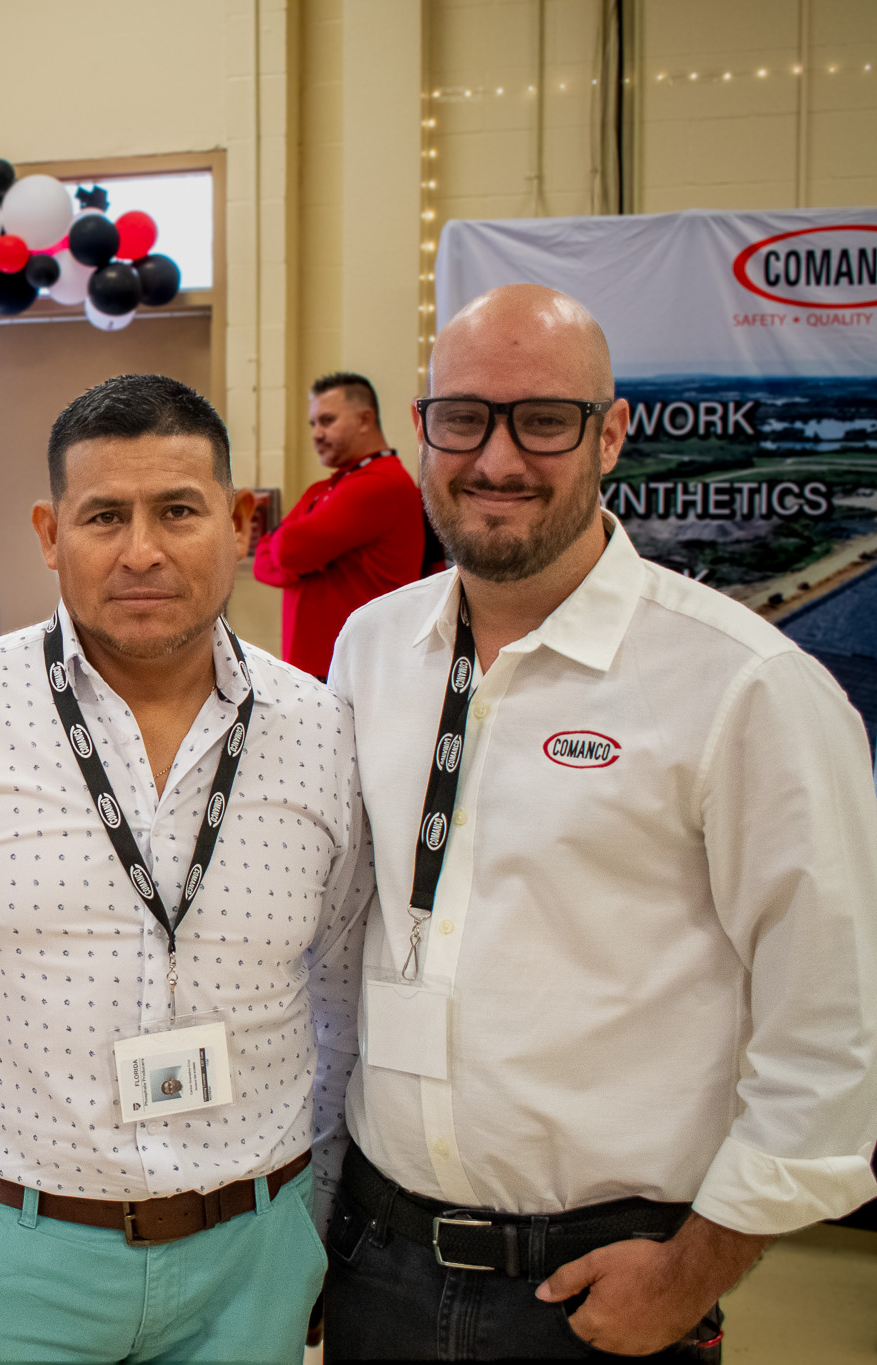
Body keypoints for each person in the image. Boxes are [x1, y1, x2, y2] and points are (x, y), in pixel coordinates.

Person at [322, 286, 877, 1361]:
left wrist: (691, 1273)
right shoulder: (372, 649)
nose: (495, 459)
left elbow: (829, 1030)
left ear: (610, 434)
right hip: (374, 1257)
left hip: (599, 1287)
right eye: (462, 418)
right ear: (423, 425)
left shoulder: (745, 686)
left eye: (542, 420)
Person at [0, 373, 375, 1365]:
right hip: (17, 1260)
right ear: (49, 532)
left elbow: (338, 988)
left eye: (178, 511)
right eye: (104, 515)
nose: (141, 550)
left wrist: (312, 1219)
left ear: (239, 523)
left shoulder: (319, 726)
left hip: (254, 1257)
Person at [253, 372, 425, 679]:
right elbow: (263, 563)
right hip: (319, 671)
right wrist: (307, 562)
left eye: (327, 420)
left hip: (355, 673)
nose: (316, 434)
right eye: (313, 424)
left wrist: (296, 554)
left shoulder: (380, 483)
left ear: (364, 419)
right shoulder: (324, 488)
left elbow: (287, 550)